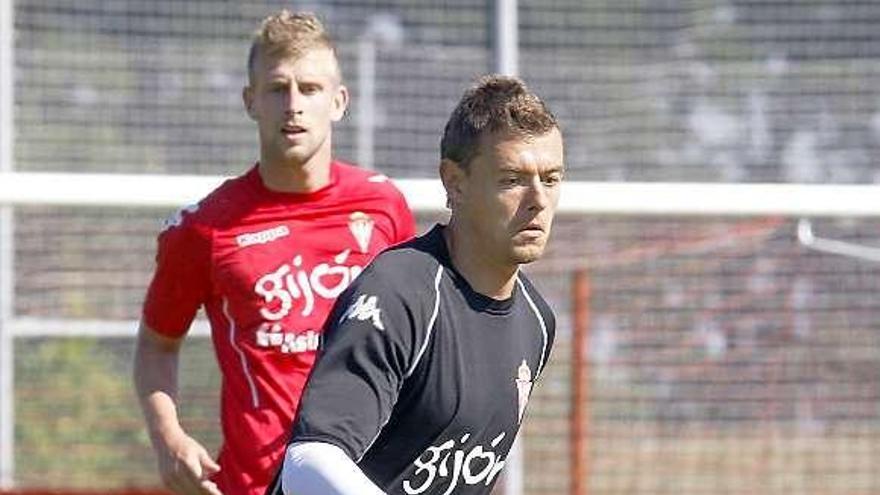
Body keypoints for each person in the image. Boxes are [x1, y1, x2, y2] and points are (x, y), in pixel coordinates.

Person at [132, 10, 416, 495]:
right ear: (250, 101)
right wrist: (168, 436)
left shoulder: (383, 207)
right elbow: (157, 344)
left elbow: (417, 341)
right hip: (256, 483)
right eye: (277, 88)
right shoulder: (205, 228)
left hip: (367, 478)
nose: (294, 105)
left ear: (339, 101)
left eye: (310, 89)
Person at [270, 74, 565, 495]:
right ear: (455, 183)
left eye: (551, 179)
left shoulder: (537, 322)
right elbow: (309, 462)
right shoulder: (400, 293)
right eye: (511, 179)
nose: (538, 199)